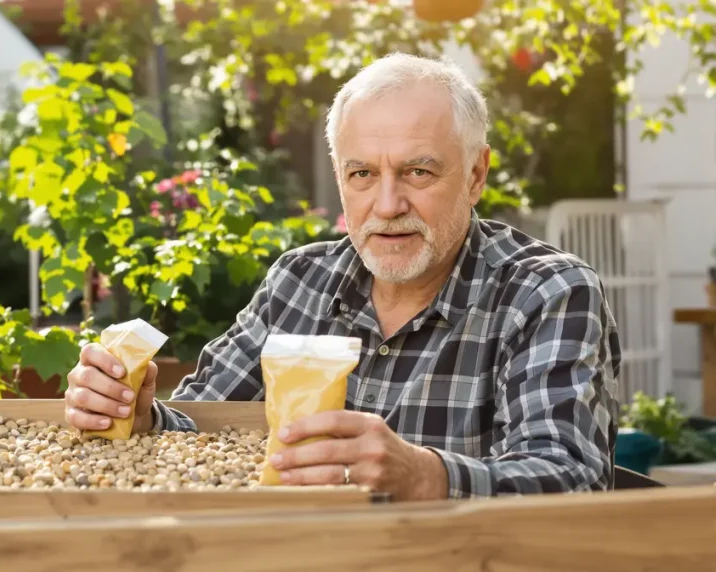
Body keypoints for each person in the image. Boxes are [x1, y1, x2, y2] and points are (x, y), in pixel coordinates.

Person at [64, 52, 621, 500]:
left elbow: (571, 478)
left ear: (475, 175)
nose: (387, 204)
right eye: (362, 174)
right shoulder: (299, 280)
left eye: (417, 171)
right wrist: (140, 416)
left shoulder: (546, 292)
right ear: (339, 176)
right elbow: (203, 424)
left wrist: (426, 475)